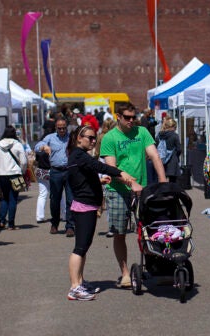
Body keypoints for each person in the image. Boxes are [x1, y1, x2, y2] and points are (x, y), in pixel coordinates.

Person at [65, 124, 136, 300]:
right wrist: (121, 173)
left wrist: (99, 182)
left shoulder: (78, 155)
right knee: (80, 247)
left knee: (84, 246)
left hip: (86, 204)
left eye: (94, 138)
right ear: (79, 138)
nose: (93, 141)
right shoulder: (79, 155)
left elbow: (82, 179)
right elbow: (99, 166)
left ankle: (80, 282)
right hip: (84, 206)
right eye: (90, 137)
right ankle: (74, 287)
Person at [100, 102, 163, 287]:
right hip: (118, 191)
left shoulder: (142, 132)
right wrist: (131, 183)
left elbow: (154, 156)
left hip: (142, 190)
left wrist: (163, 181)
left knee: (148, 230)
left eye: (133, 117)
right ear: (118, 117)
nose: (131, 120)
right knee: (120, 233)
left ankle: (151, 265)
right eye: (127, 117)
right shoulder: (109, 138)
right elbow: (111, 168)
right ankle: (125, 273)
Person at [35, 115, 75, 236]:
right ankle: (55, 223)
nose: (62, 130)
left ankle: (70, 226)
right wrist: (43, 147)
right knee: (55, 200)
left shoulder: (71, 138)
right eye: (59, 128)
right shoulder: (50, 137)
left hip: (69, 171)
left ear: (67, 127)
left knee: (70, 199)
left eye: (64, 128)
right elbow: (37, 147)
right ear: (56, 128)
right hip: (56, 172)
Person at [0, 125, 28, 230]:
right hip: (15, 174)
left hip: (2, 174)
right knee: (13, 199)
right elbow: (24, 162)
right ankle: (11, 224)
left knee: (5, 198)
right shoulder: (18, 144)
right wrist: (22, 171)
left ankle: (2, 221)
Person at [36, 118, 57, 224]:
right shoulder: (56, 141)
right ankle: (63, 214)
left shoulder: (41, 142)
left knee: (42, 194)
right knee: (58, 194)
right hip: (54, 170)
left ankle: (40, 216)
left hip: (41, 170)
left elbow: (36, 157)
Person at [156, 117, 182, 184]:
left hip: (161, 160)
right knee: (173, 181)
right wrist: (176, 155)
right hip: (172, 160)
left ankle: (163, 190)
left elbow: (156, 147)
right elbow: (179, 149)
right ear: (173, 127)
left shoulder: (159, 135)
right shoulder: (175, 135)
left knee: (162, 180)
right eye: (175, 127)